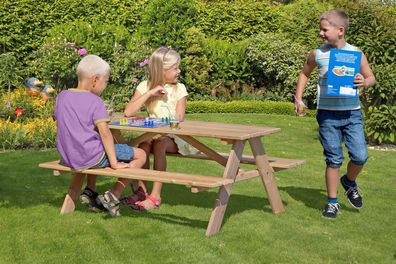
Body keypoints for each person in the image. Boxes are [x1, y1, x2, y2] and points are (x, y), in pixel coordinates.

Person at [294, 9, 376, 219]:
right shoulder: (317, 54)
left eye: (324, 29)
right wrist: (299, 97)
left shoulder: (356, 54)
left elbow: (371, 78)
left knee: (360, 155)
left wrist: (363, 81)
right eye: (320, 29)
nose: (321, 33)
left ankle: (348, 182)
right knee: (334, 159)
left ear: (340, 30)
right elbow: (304, 73)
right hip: (328, 115)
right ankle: (332, 203)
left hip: (352, 114)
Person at [55, 55, 146, 217]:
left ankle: (90, 191)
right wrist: (114, 163)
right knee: (140, 154)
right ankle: (114, 194)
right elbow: (105, 132)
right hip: (91, 157)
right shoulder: (95, 101)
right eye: (106, 81)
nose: (105, 86)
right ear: (95, 79)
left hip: (69, 157)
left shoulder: (62, 97)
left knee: (94, 145)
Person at [122, 46, 197, 211]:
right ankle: (141, 192)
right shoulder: (145, 86)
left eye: (178, 67)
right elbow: (128, 112)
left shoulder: (179, 89)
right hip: (151, 135)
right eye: (175, 67)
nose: (179, 71)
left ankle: (155, 196)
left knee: (159, 144)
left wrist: (164, 126)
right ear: (162, 70)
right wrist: (149, 93)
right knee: (143, 146)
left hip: (175, 138)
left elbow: (179, 117)